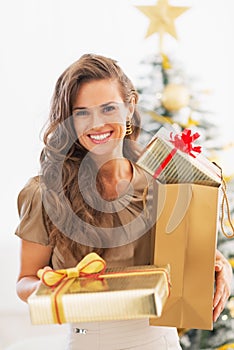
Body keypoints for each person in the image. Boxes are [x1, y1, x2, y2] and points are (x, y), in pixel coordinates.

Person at [15, 54, 232, 350]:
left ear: (129, 107)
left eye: (108, 108)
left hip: (159, 341)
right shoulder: (45, 193)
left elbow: (192, 257)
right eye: (82, 113)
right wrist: (55, 289)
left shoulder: (166, 181)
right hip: (87, 342)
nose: (97, 123)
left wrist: (221, 268)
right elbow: (25, 281)